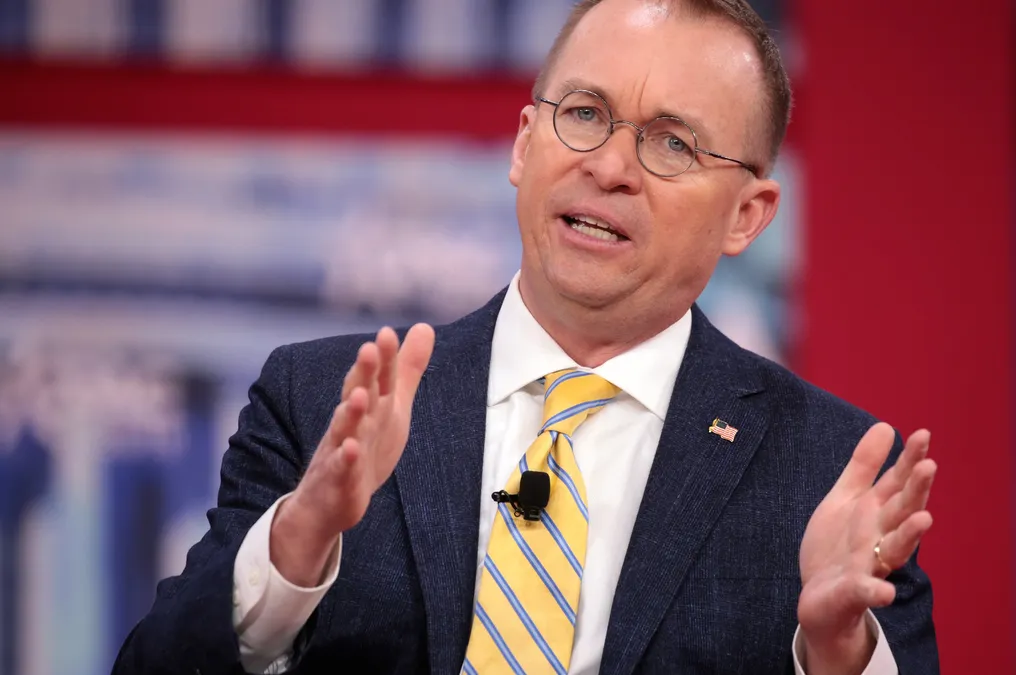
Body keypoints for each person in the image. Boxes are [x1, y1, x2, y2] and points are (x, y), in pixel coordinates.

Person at [113, 0, 938, 673]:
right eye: (584, 113)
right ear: (523, 143)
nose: (611, 166)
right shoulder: (322, 403)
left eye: (672, 143)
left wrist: (835, 654)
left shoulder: (830, 470)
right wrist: (298, 541)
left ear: (748, 216)